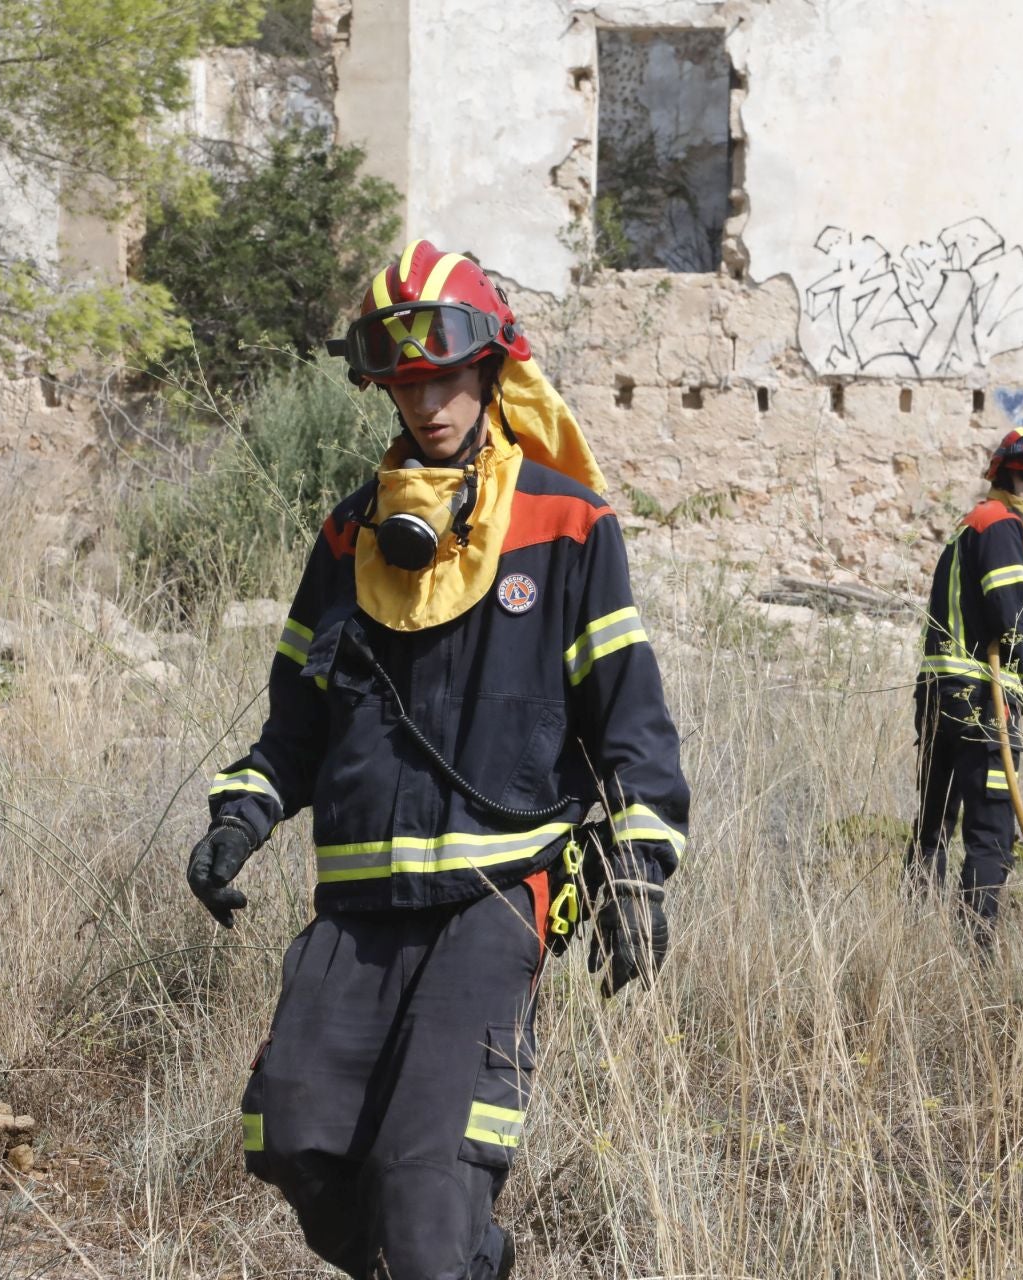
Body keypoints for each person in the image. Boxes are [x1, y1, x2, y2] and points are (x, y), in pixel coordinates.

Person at [183, 240, 689, 1280]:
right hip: (358, 904)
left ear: (492, 366)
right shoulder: (348, 536)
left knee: (426, 1183)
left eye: (446, 376)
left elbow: (631, 725)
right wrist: (240, 813)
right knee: (294, 1135)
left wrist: (636, 872)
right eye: (404, 381)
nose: (427, 403)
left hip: (496, 900)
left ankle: (445, 1255)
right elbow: (296, 726)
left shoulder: (567, 521)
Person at [908, 420, 1023, 933]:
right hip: (981, 699)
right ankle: (973, 957)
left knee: (933, 824)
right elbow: (1008, 611)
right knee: (992, 831)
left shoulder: (975, 522)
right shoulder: (1002, 525)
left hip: (940, 695)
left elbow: (998, 611)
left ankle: (912, 938)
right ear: (1004, 475)